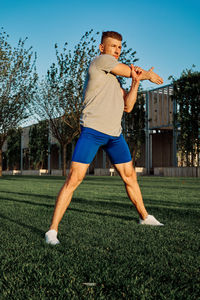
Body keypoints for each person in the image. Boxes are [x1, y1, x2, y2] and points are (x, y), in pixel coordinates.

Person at [45, 31, 164, 245]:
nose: (117, 51)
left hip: (114, 135)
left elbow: (128, 106)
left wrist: (136, 83)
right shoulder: (100, 62)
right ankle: (52, 231)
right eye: (113, 46)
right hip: (92, 131)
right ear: (102, 48)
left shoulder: (115, 80)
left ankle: (145, 217)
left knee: (130, 177)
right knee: (74, 180)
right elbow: (130, 70)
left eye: (119, 47)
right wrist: (146, 75)